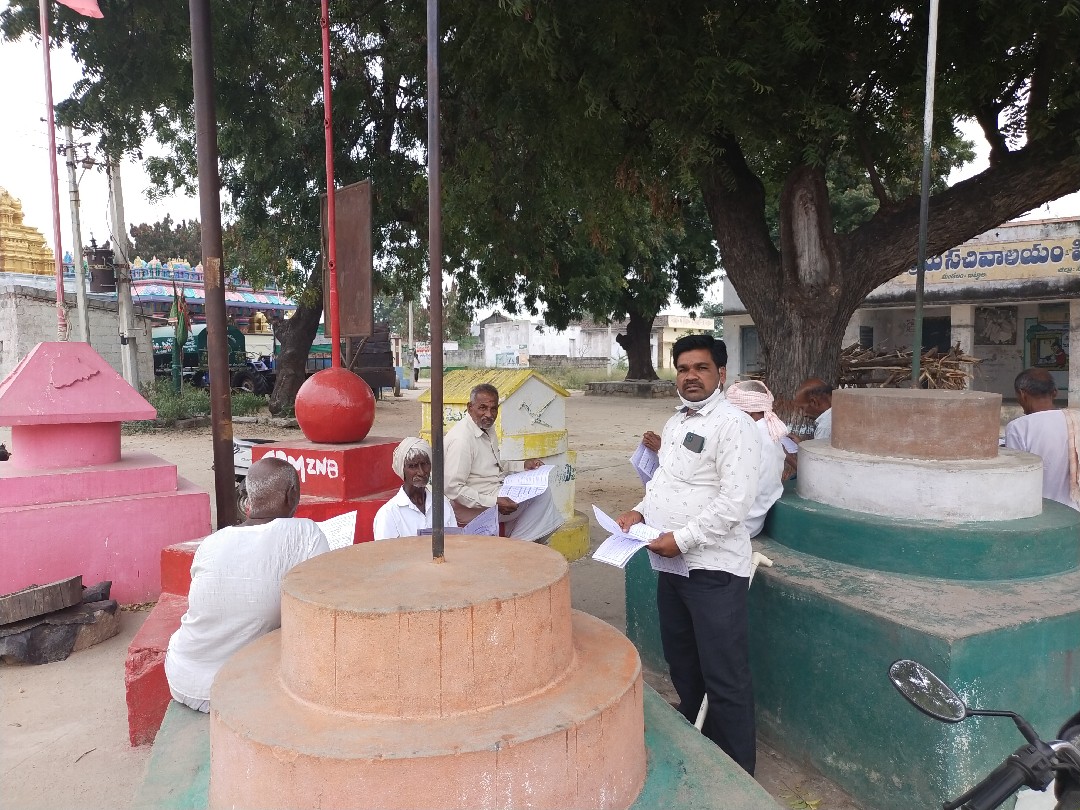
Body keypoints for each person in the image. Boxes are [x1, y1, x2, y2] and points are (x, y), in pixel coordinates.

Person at [616, 334, 761, 774]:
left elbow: (735, 503)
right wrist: (639, 511)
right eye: (683, 369)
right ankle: (702, 748)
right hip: (672, 566)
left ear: (721, 373)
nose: (690, 376)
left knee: (724, 675)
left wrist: (682, 538)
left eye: (701, 368)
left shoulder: (734, 424)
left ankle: (736, 774)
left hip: (713, 570)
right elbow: (666, 482)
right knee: (683, 663)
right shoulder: (676, 422)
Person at [164, 457, 330, 713]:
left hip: (182, 676)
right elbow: (318, 606)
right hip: (238, 689)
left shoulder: (212, 542)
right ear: (291, 495)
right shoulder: (305, 534)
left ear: (250, 498)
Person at [444, 383, 564, 542]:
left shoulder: (486, 428)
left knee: (541, 493)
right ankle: (519, 545)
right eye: (482, 408)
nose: (489, 414)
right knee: (542, 499)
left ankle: (521, 543)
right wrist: (494, 502)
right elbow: (453, 489)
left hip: (495, 493)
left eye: (493, 409)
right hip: (476, 507)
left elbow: (494, 465)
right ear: (470, 407)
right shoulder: (462, 440)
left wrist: (523, 465)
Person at [1004, 368, 1079, 511]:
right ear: (1055, 393)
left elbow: (1015, 477)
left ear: (1022, 394)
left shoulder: (1018, 427)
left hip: (1039, 511)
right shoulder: (1075, 419)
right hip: (1074, 510)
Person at [725, 379, 788, 538]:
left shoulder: (753, 435)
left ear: (747, 413)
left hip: (742, 522)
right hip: (745, 515)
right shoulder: (765, 429)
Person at [372, 437, 458, 539]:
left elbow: (455, 541)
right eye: (413, 466)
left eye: (424, 464)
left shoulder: (442, 503)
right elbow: (384, 549)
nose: (421, 472)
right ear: (403, 470)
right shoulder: (389, 514)